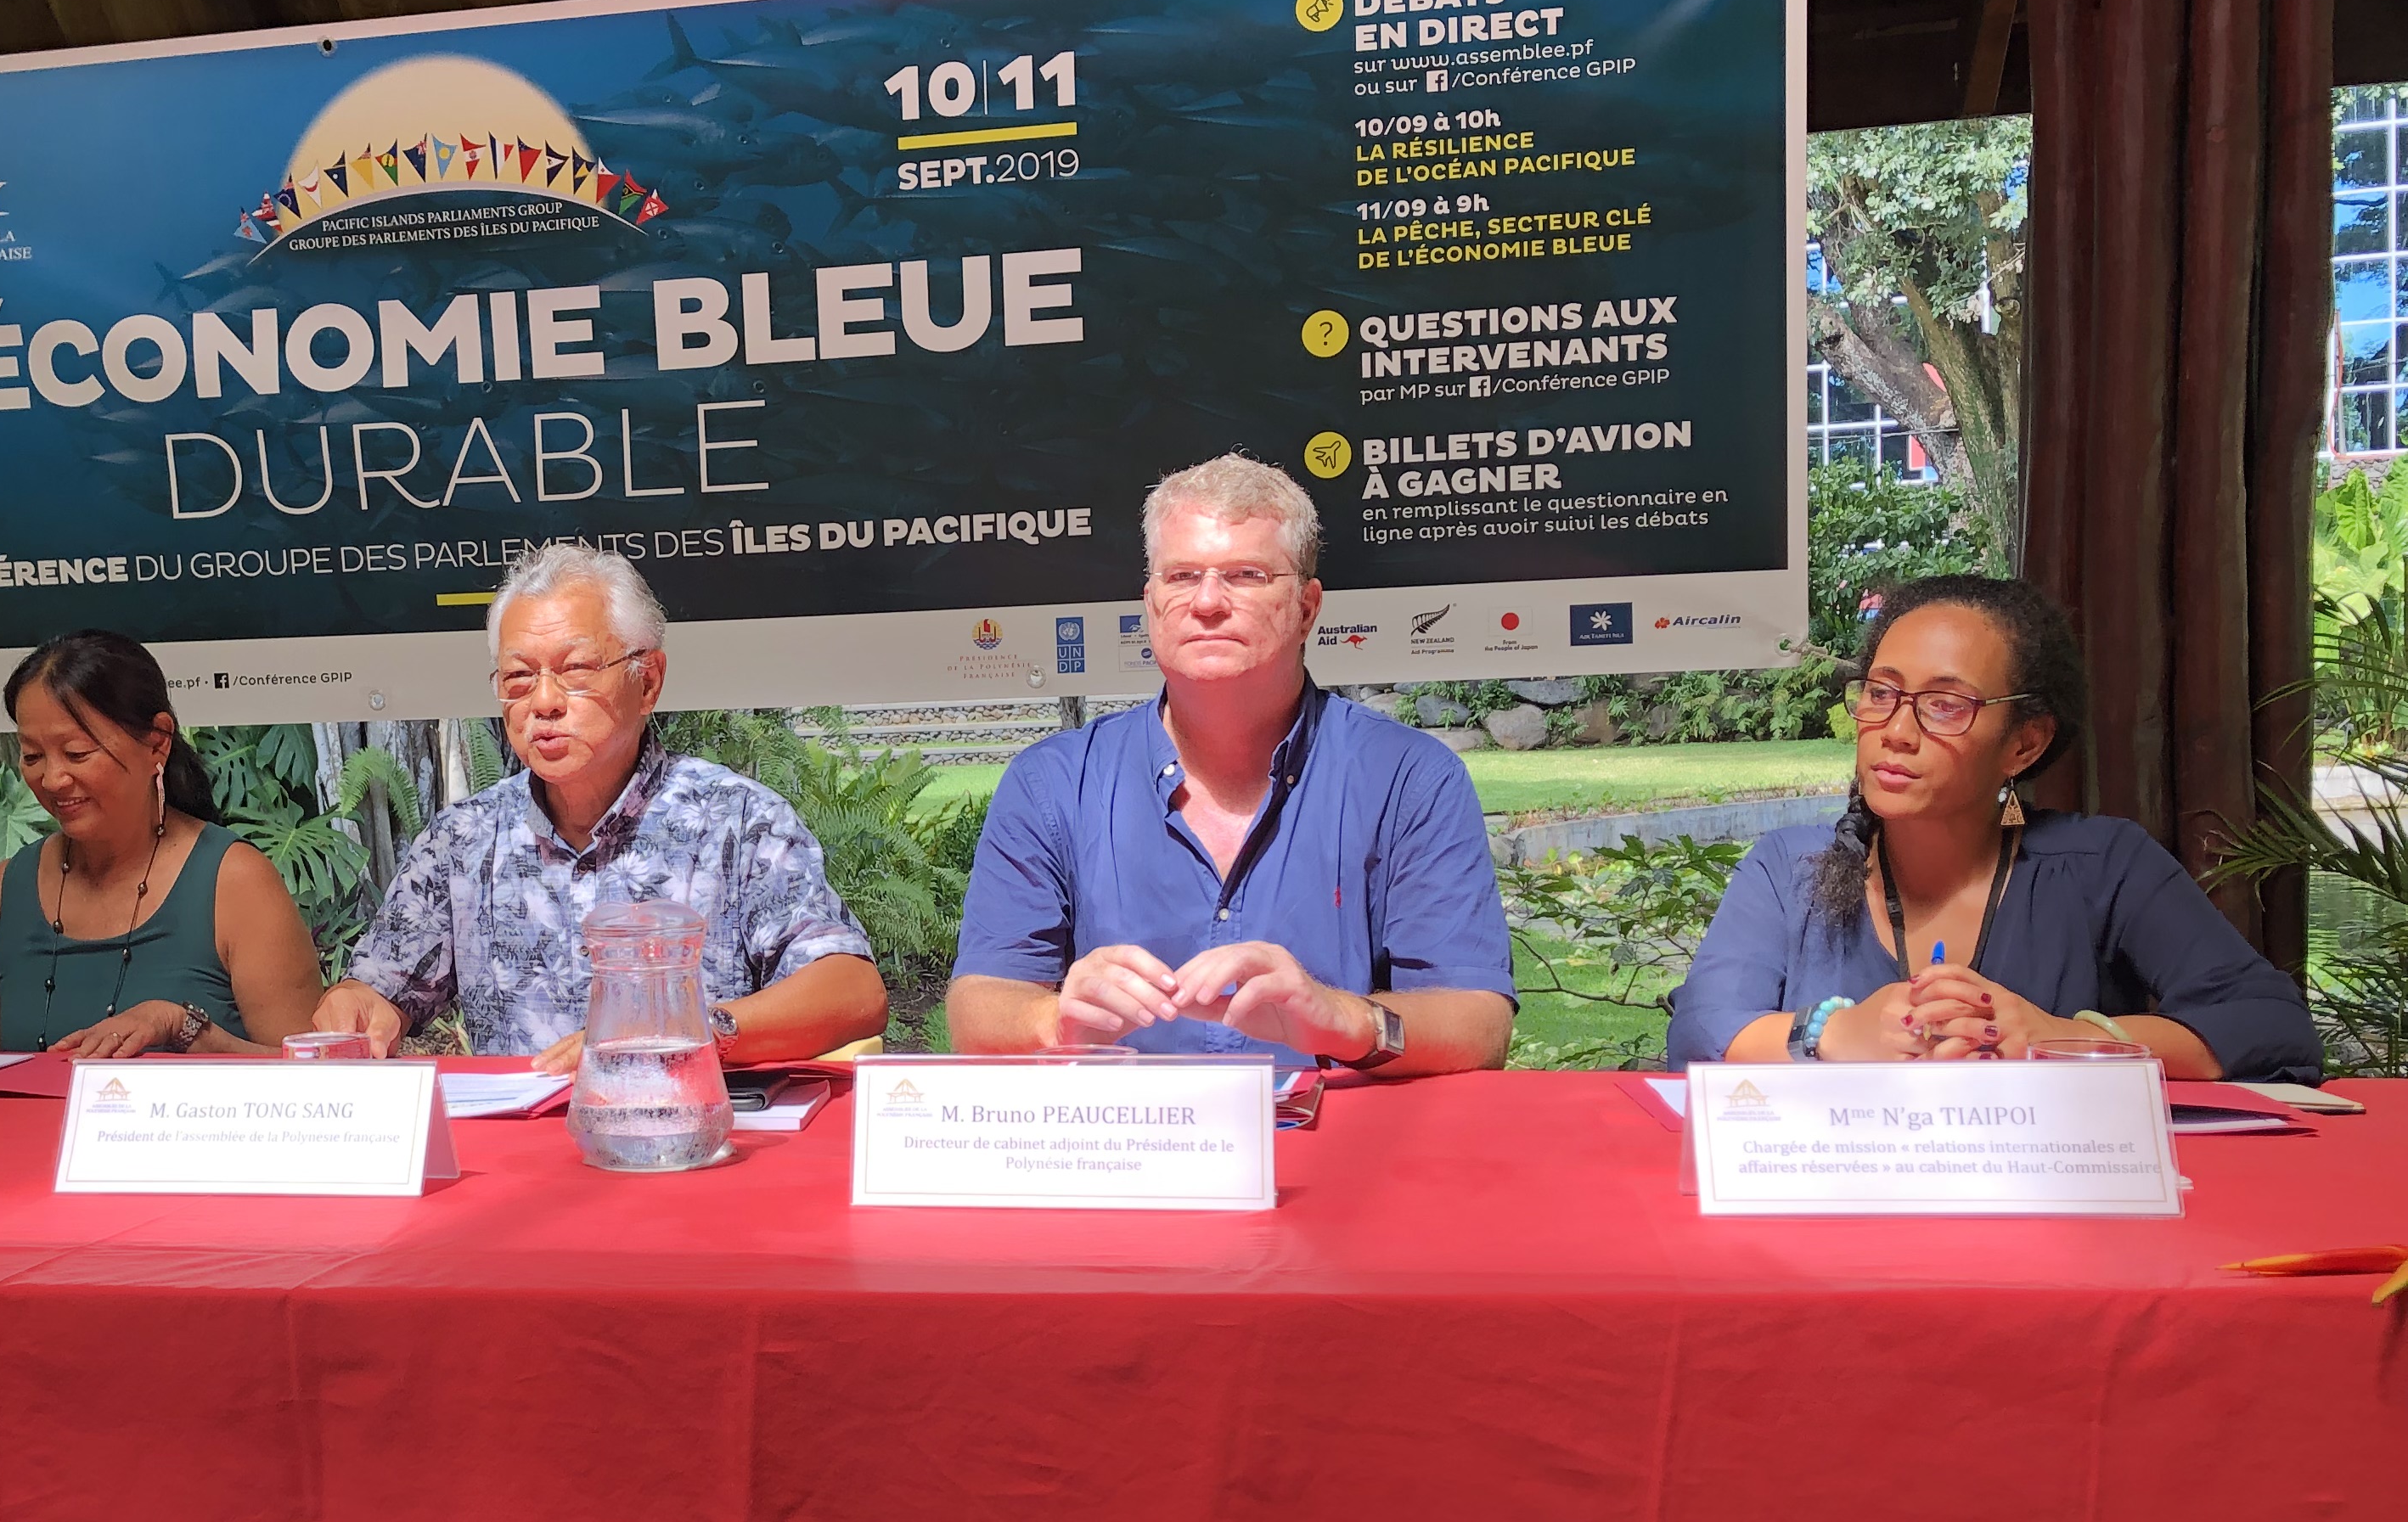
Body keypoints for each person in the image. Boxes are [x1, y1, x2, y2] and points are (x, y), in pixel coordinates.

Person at [947, 454, 1515, 1070]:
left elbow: (1478, 1026)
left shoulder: (1410, 779)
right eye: (1182, 576)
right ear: (1151, 602)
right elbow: (978, 1008)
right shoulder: (1052, 783)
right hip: (1121, 1128)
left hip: (1336, 1129)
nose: (1208, 602)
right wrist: (1053, 1020)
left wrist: (1344, 1018)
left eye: (1246, 575)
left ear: (1307, 607)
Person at [1667, 575, 2318, 1083]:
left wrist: (2061, 1038)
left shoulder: (2104, 865)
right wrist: (1834, 1035)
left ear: (2024, 744)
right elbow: (1701, 1031)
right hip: (1835, 1198)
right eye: (1881, 693)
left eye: (1945, 705)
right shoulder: (1789, 867)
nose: (1896, 731)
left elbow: (2268, 1026)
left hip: (2051, 1201)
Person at [308, 542, 886, 1067]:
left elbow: (852, 992)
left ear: (647, 681)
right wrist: (357, 1005)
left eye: (576, 670)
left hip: (687, 1131)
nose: (544, 702)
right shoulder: (464, 841)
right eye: (518, 677)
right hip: (515, 1140)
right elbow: (380, 990)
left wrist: (688, 1029)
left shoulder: (736, 822)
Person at [0, 631, 322, 1057]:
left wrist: (184, 1028)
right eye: (32, 756)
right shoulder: (6, 891)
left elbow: (315, 1081)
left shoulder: (235, 882)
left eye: (77, 753)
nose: (53, 779)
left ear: (157, 742)